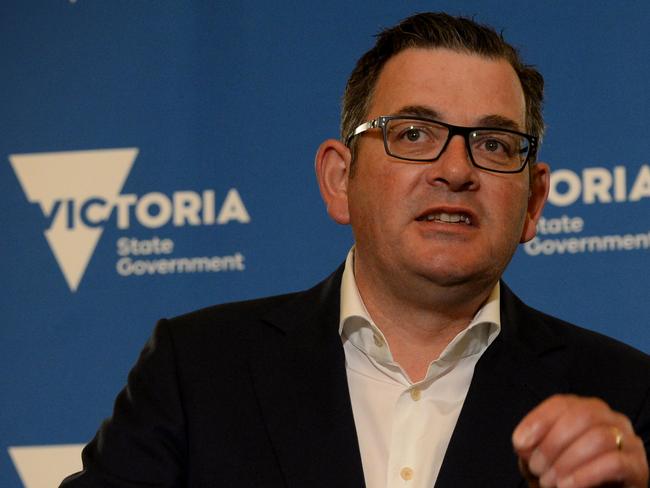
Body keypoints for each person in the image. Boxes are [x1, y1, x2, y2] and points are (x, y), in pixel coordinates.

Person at [61, 12, 650, 488]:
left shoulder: (626, 398)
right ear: (340, 179)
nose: (455, 169)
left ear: (533, 202)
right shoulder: (196, 370)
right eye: (414, 134)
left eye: (494, 144)